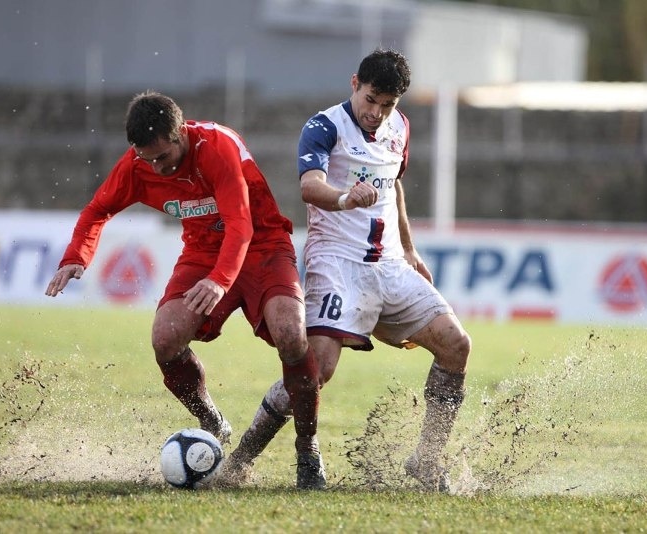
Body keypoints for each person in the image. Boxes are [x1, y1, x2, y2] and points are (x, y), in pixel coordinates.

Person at [216, 49, 471, 492]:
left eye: (387, 104)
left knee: (456, 345)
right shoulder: (324, 127)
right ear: (355, 83)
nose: (376, 113)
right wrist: (343, 198)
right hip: (336, 263)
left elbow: (394, 186)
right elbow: (309, 186)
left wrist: (410, 249)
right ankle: (241, 459)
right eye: (371, 99)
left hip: (389, 265)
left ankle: (427, 461)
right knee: (315, 371)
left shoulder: (400, 126)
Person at [44, 91, 325, 490]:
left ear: (180, 134)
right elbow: (97, 210)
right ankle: (210, 419)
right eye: (146, 159)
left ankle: (307, 450)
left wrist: (220, 279)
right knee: (165, 338)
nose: (156, 168)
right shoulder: (138, 165)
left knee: (292, 335)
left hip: (262, 245)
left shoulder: (217, 148)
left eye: (162, 157)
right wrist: (76, 256)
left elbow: (241, 224)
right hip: (203, 252)